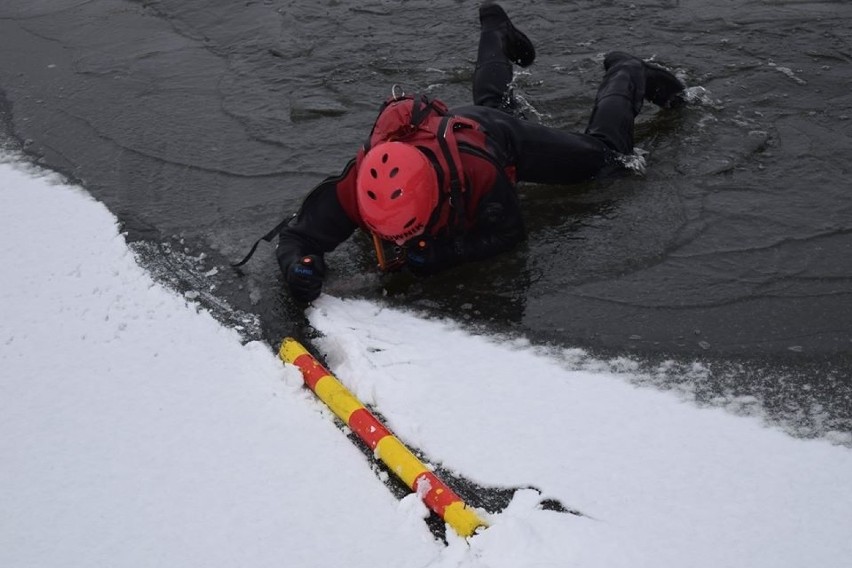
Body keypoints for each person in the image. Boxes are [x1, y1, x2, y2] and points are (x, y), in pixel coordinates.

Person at [254, 2, 686, 303]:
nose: (395, 243)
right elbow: (299, 236)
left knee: (608, 161)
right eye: (386, 233)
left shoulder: (480, 175)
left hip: (493, 139)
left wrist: (447, 254)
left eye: (403, 231)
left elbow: (510, 234)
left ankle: (628, 69)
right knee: (490, 103)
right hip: (457, 128)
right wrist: (300, 266)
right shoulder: (361, 181)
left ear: (432, 195)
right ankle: (495, 31)